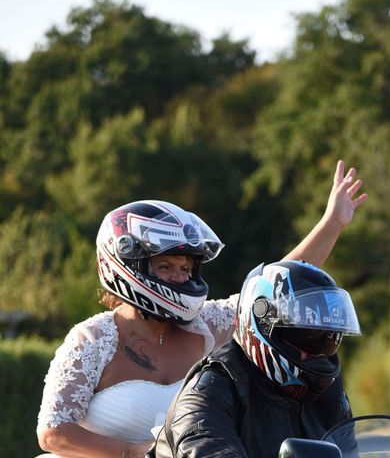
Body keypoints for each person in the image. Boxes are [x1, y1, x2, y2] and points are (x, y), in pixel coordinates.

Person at [36, 160, 367, 458]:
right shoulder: (93, 339)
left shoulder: (206, 323)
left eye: (185, 268)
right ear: (127, 263)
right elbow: (53, 432)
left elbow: (272, 292)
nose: (179, 277)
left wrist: (332, 224)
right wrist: (135, 453)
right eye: (165, 267)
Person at [150, 259, 361, 458]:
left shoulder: (329, 392)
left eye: (327, 340)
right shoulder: (209, 391)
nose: (315, 354)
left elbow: (349, 452)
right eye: (306, 337)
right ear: (261, 324)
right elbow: (207, 448)